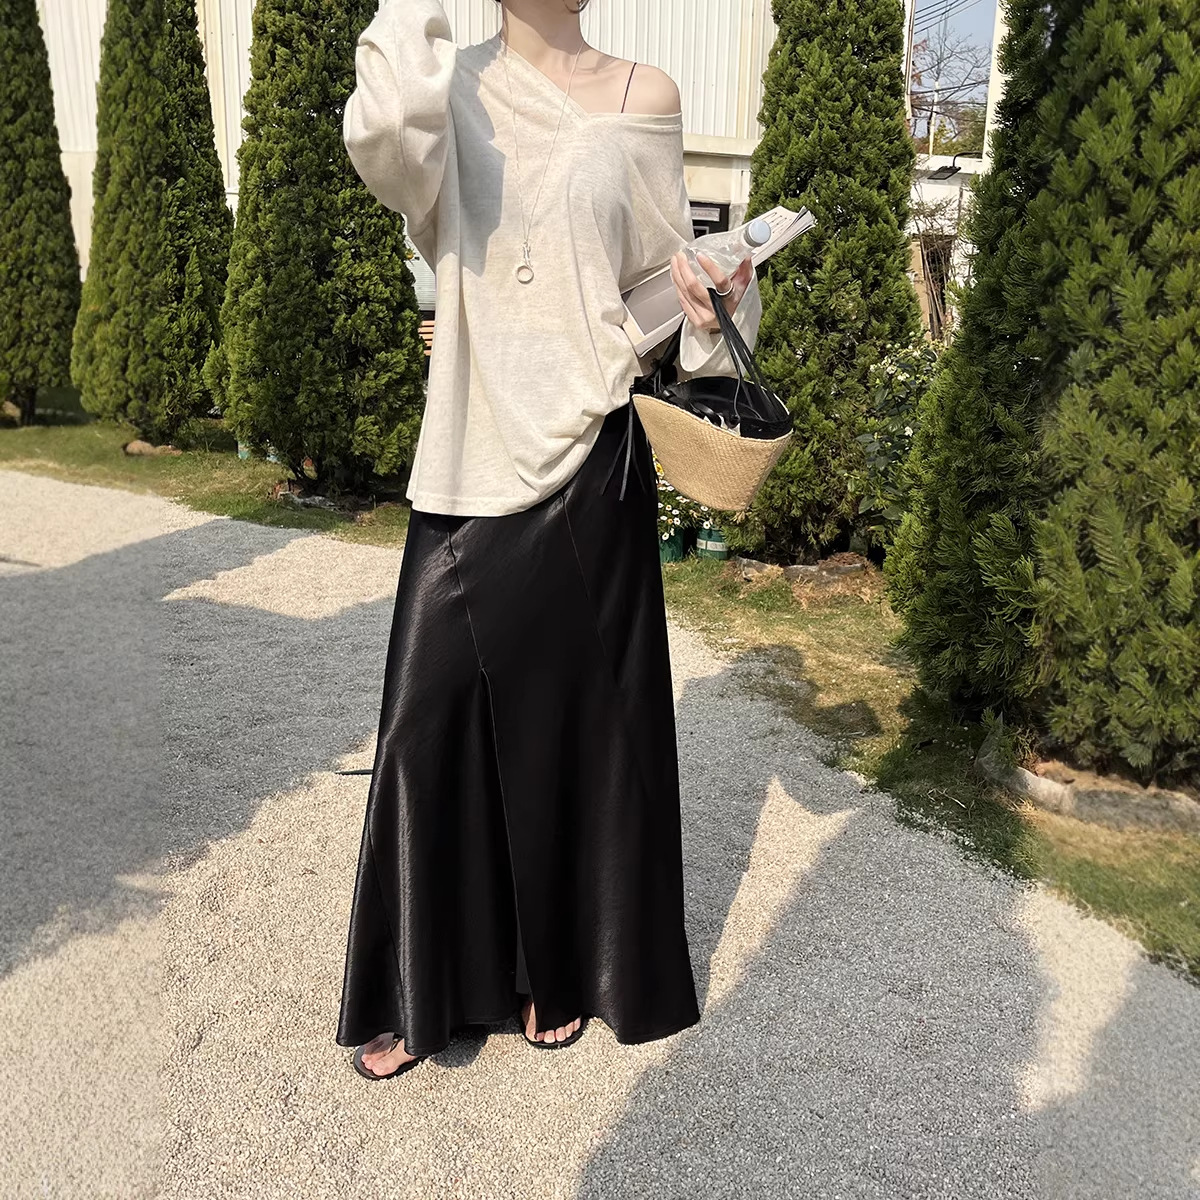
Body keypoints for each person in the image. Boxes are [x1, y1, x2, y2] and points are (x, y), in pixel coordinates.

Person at [337, 0, 763, 1080]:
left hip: (594, 456)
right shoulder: (443, 88)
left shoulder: (644, 96)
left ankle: (558, 969)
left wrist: (708, 305)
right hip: (473, 444)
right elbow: (382, 141)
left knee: (575, 726)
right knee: (422, 718)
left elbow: (649, 285)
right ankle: (415, 982)